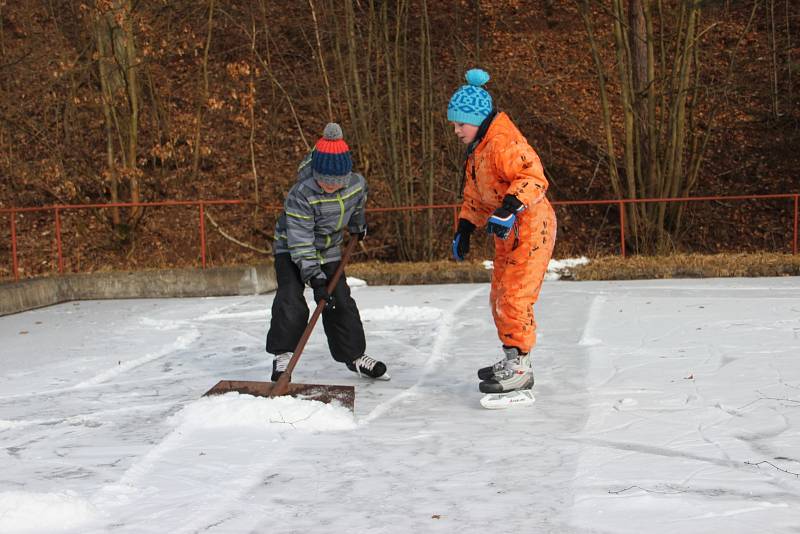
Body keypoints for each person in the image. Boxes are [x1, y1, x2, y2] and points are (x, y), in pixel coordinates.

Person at [448, 68, 556, 395]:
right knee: (498, 297)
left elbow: (533, 178)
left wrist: (510, 207)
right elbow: (478, 196)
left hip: (531, 226)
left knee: (514, 297)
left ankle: (521, 366)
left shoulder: (504, 143)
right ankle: (511, 356)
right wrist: (465, 227)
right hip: (507, 232)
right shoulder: (479, 151)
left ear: (478, 119)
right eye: (453, 124)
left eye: (460, 124)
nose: (455, 130)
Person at [266, 122, 389, 382]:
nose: (330, 186)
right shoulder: (301, 193)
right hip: (292, 248)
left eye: (336, 182)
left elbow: (357, 207)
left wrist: (358, 226)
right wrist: (315, 277)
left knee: (341, 300)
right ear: (315, 174)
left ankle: (354, 356)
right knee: (290, 299)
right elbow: (300, 240)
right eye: (324, 181)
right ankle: (284, 355)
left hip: (330, 249)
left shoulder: (357, 185)